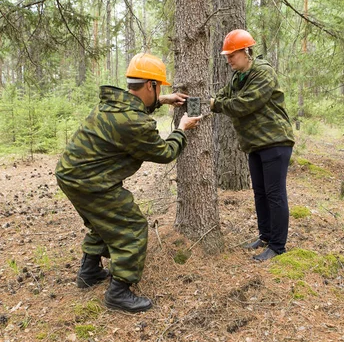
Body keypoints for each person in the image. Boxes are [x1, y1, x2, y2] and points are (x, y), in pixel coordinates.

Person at [55, 52, 201, 313]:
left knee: (103, 221)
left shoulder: (111, 105)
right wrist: (181, 129)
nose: (160, 92)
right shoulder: (134, 122)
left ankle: (89, 272)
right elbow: (165, 153)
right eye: (159, 88)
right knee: (131, 226)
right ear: (149, 86)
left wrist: (163, 99)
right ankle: (119, 292)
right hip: (91, 181)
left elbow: (133, 106)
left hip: (70, 175)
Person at [210, 29, 294, 262]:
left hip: (275, 141)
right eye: (226, 56)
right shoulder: (237, 77)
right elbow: (222, 97)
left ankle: (278, 246)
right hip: (255, 144)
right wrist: (216, 102)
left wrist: (217, 105)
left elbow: (245, 104)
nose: (228, 60)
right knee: (260, 193)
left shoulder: (263, 72)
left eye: (232, 55)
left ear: (246, 52)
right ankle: (265, 236)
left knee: (274, 194)